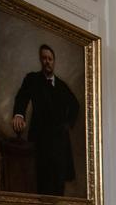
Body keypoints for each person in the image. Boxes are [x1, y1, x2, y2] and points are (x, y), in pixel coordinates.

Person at [10, 44, 79, 196]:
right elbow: (22, 97)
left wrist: (68, 123)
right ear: (40, 60)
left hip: (60, 144)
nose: (47, 61)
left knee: (58, 187)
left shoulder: (61, 86)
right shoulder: (32, 79)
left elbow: (75, 105)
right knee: (40, 185)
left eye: (50, 59)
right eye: (44, 58)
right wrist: (19, 114)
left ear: (54, 61)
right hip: (40, 140)